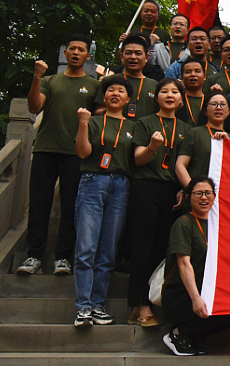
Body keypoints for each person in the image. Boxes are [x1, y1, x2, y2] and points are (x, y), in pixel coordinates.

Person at [18, 35, 99, 276]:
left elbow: (100, 115)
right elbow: (34, 107)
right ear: (65, 53)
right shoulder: (50, 80)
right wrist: (37, 77)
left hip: (75, 153)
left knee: (71, 206)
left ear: (88, 56)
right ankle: (34, 256)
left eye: (81, 49)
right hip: (45, 149)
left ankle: (63, 257)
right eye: (72, 48)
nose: (75, 52)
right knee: (39, 204)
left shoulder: (94, 85)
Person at [162, 177, 230, 356]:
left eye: (208, 193)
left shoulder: (217, 225)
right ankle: (178, 334)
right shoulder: (184, 224)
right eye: (198, 193)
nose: (204, 198)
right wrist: (196, 299)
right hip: (181, 295)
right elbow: (184, 263)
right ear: (188, 197)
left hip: (207, 290)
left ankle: (194, 335)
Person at [73, 76, 136, 326]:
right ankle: (83, 306)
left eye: (121, 90)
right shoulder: (93, 121)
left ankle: (98, 305)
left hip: (121, 185)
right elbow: (83, 152)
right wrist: (83, 124)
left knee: (108, 249)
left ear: (128, 99)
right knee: (86, 246)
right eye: (110, 90)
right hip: (93, 181)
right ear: (104, 95)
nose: (115, 93)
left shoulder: (134, 126)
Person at [128, 78, 189, 327]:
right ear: (157, 97)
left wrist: (183, 190)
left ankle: (147, 305)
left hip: (172, 191)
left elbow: (185, 164)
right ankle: (140, 304)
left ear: (181, 99)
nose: (170, 95)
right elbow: (138, 159)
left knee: (162, 248)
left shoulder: (185, 128)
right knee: (142, 245)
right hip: (146, 186)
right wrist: (152, 147)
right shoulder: (145, 122)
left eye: (175, 92)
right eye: (164, 91)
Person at [175, 92, 230, 189]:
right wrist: (192, 189)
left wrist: (229, 143)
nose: (218, 108)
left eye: (223, 104)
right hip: (198, 193)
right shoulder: (194, 133)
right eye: (213, 104)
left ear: (228, 111)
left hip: (225, 193)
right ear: (205, 111)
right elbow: (180, 165)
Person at [97, 35, 158, 121]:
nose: (133, 57)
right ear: (121, 56)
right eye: (128, 53)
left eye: (138, 53)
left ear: (146, 57)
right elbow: (97, 111)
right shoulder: (109, 81)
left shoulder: (154, 85)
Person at [177, 58, 207, 127]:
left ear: (204, 76)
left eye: (197, 71)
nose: (193, 74)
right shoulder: (177, 100)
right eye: (188, 72)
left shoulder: (210, 101)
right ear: (182, 78)